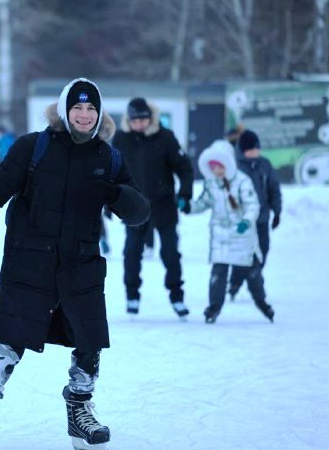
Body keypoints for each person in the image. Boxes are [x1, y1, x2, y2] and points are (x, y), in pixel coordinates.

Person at [0, 78, 150, 450]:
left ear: (99, 113)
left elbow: (139, 211)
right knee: (10, 338)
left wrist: (118, 194)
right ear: (64, 109)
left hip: (81, 265)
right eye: (77, 107)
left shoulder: (108, 158)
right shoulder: (33, 148)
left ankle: (80, 412)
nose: (84, 115)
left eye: (91, 109)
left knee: (88, 342)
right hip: (30, 261)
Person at [111, 97, 194, 318]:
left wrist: (184, 194)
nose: (140, 124)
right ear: (129, 120)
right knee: (131, 253)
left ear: (151, 118)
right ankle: (132, 295)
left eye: (143, 119)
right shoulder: (121, 139)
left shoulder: (165, 137)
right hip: (134, 206)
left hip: (163, 205)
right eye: (135, 120)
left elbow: (184, 168)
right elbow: (111, 172)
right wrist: (110, 202)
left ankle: (177, 297)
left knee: (170, 254)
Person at [186, 140, 274, 324]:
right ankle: (213, 308)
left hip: (242, 236)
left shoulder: (242, 181)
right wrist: (189, 207)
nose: (217, 170)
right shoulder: (211, 184)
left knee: (253, 274)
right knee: (218, 274)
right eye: (213, 167)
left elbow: (252, 205)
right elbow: (204, 202)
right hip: (221, 237)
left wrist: (245, 222)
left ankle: (262, 302)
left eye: (219, 166)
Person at [228, 130, 282, 300]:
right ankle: (235, 283)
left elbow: (274, 189)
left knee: (263, 249)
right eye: (252, 150)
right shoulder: (234, 167)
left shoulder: (264, 164)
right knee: (242, 253)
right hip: (242, 220)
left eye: (257, 149)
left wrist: (277, 212)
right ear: (243, 150)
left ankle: (254, 277)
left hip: (262, 218)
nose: (255, 153)